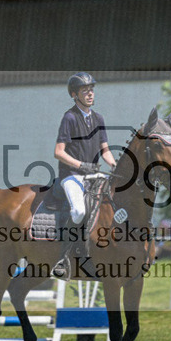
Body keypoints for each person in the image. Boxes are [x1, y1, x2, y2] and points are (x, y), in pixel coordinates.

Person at [51, 72, 117, 279]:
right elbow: (58, 152)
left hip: (94, 175)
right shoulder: (69, 117)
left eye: (91, 89)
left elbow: (105, 150)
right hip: (71, 175)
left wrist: (117, 166)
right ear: (74, 95)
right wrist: (81, 165)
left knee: (114, 202)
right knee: (79, 211)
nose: (90, 93)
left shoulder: (98, 118)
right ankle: (64, 258)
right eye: (84, 90)